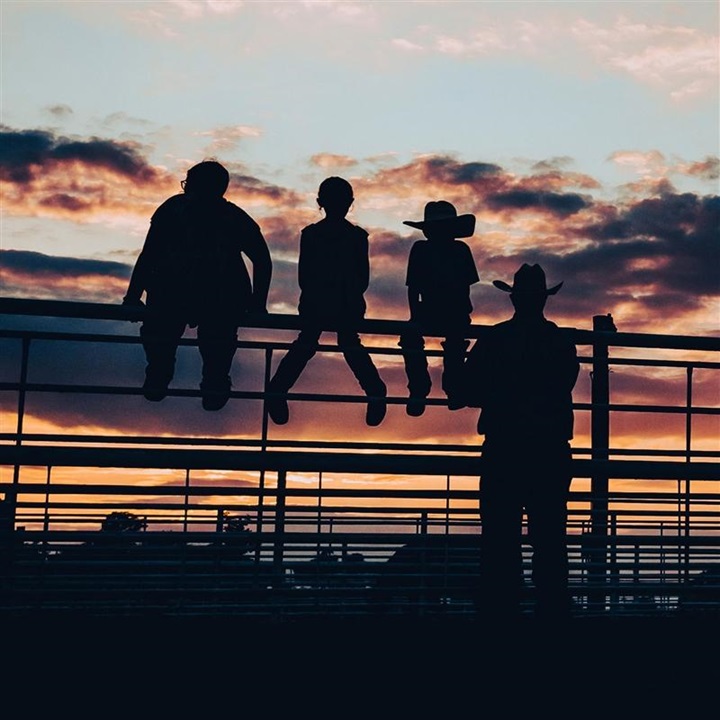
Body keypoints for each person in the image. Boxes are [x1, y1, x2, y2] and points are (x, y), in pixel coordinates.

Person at [463, 263, 579, 621]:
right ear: (543, 300)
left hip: (504, 446)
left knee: (500, 535)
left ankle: (500, 611)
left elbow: (469, 391)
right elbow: (564, 386)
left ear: (513, 299)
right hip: (549, 447)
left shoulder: (494, 339)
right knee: (550, 534)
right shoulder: (560, 341)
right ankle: (553, 610)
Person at [123, 160, 272, 411]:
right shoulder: (232, 216)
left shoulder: (173, 210)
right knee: (214, 347)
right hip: (217, 297)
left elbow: (149, 255)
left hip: (181, 294)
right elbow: (262, 260)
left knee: (164, 339)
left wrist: (132, 297)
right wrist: (257, 304)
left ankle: (164, 375)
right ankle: (209, 383)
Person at [265, 176, 387, 427]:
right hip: (344, 303)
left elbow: (304, 276)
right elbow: (362, 278)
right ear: (350, 203)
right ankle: (376, 393)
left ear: (320, 202)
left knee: (308, 344)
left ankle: (277, 391)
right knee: (349, 345)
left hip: (318, 302)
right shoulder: (356, 237)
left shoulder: (312, 235)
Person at [399, 201, 479, 416]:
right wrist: (415, 317)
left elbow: (413, 288)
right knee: (451, 344)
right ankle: (428, 389)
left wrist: (415, 317)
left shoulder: (449, 250)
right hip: (443, 312)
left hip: (445, 312)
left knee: (444, 342)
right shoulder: (456, 250)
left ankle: (428, 390)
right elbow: (464, 287)